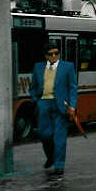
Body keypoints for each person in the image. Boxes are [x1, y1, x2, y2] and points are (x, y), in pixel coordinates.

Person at [29, 42, 78, 176]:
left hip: (61, 105)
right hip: (44, 103)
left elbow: (73, 87)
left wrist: (72, 106)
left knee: (59, 136)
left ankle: (59, 164)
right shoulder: (38, 67)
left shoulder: (68, 67)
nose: (54, 56)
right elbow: (33, 87)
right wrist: (36, 100)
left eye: (56, 53)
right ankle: (51, 156)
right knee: (45, 134)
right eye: (50, 54)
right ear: (46, 55)